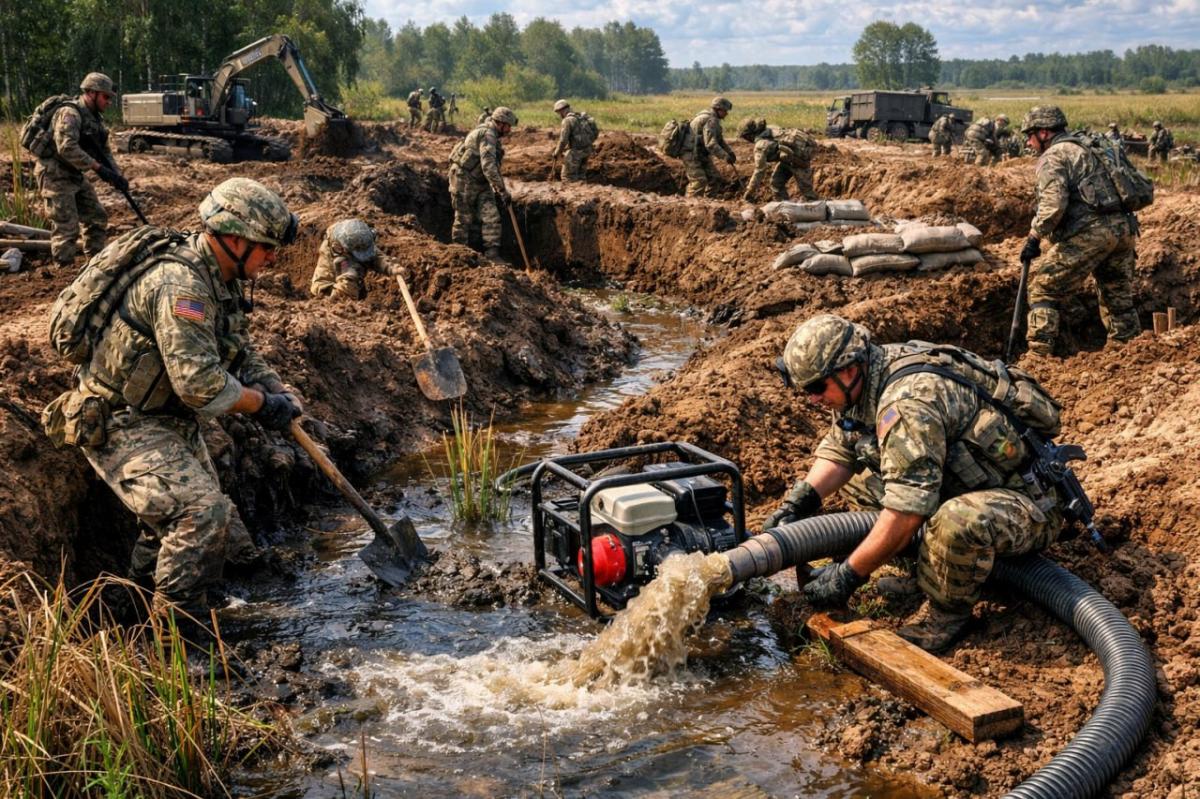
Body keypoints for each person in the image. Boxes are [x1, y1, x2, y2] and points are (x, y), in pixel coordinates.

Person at [41, 177, 302, 614]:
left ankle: (136, 600)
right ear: (235, 239)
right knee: (202, 517)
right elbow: (199, 384)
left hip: (166, 417)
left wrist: (277, 388)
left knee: (203, 531)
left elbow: (236, 352)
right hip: (120, 420)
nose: (273, 257)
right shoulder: (181, 287)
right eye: (266, 246)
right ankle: (178, 639)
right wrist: (261, 406)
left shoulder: (222, 277)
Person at [766, 314, 1068, 652]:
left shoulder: (906, 403)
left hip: (1026, 504)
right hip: (963, 484)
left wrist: (849, 575)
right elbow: (843, 446)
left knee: (956, 521)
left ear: (848, 370)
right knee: (860, 483)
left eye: (816, 388)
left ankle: (947, 611)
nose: (813, 399)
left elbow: (905, 512)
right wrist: (800, 501)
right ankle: (928, 571)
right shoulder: (867, 374)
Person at [1018, 105, 1141, 355]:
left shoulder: (1054, 156)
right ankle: (1129, 354)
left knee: (1043, 288)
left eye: (1029, 136)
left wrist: (1034, 236)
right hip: (1124, 229)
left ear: (1043, 133)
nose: (1028, 143)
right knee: (1117, 296)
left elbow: (1053, 205)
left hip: (1092, 232)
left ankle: (1039, 358)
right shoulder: (1089, 147)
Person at [31, 73, 128, 268]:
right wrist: (98, 168)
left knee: (96, 217)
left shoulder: (95, 119)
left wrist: (116, 175)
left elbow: (104, 151)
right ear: (91, 93)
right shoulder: (70, 113)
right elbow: (66, 147)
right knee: (67, 227)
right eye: (105, 97)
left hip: (74, 174)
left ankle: (95, 266)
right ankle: (64, 274)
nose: (108, 102)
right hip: (55, 174)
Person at [449, 107, 516, 264]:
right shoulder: (487, 135)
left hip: (481, 181)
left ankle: (492, 255)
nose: (509, 129)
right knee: (464, 218)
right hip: (463, 179)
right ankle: (459, 256)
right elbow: (489, 167)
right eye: (508, 126)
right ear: (500, 123)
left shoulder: (491, 134)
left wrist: (499, 188)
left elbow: (491, 168)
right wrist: (502, 190)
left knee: (491, 216)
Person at [309, 218, 400, 299]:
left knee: (354, 277)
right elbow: (340, 278)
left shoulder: (360, 240)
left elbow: (375, 255)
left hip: (348, 253)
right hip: (334, 274)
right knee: (347, 280)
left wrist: (390, 267)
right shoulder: (336, 251)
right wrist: (341, 293)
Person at [736, 117, 816, 202]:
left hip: (798, 160)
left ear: (749, 136)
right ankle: (784, 206)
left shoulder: (760, 146)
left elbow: (759, 170)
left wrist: (749, 191)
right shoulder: (770, 128)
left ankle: (819, 210)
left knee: (808, 193)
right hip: (787, 159)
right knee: (776, 183)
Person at [682, 96, 736, 197]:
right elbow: (711, 144)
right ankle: (689, 205)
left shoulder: (712, 119)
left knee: (715, 179)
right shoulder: (711, 120)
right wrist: (725, 156)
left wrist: (729, 152)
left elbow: (719, 140)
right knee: (699, 181)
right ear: (718, 109)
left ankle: (707, 204)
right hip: (691, 154)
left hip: (700, 154)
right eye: (725, 111)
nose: (726, 113)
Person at [551, 99, 595, 182]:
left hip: (575, 152)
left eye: (558, 112)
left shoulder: (567, 120)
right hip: (587, 151)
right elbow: (594, 132)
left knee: (567, 177)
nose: (559, 115)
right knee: (581, 177)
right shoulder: (580, 117)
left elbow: (563, 140)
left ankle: (571, 193)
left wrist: (557, 153)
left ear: (562, 110)